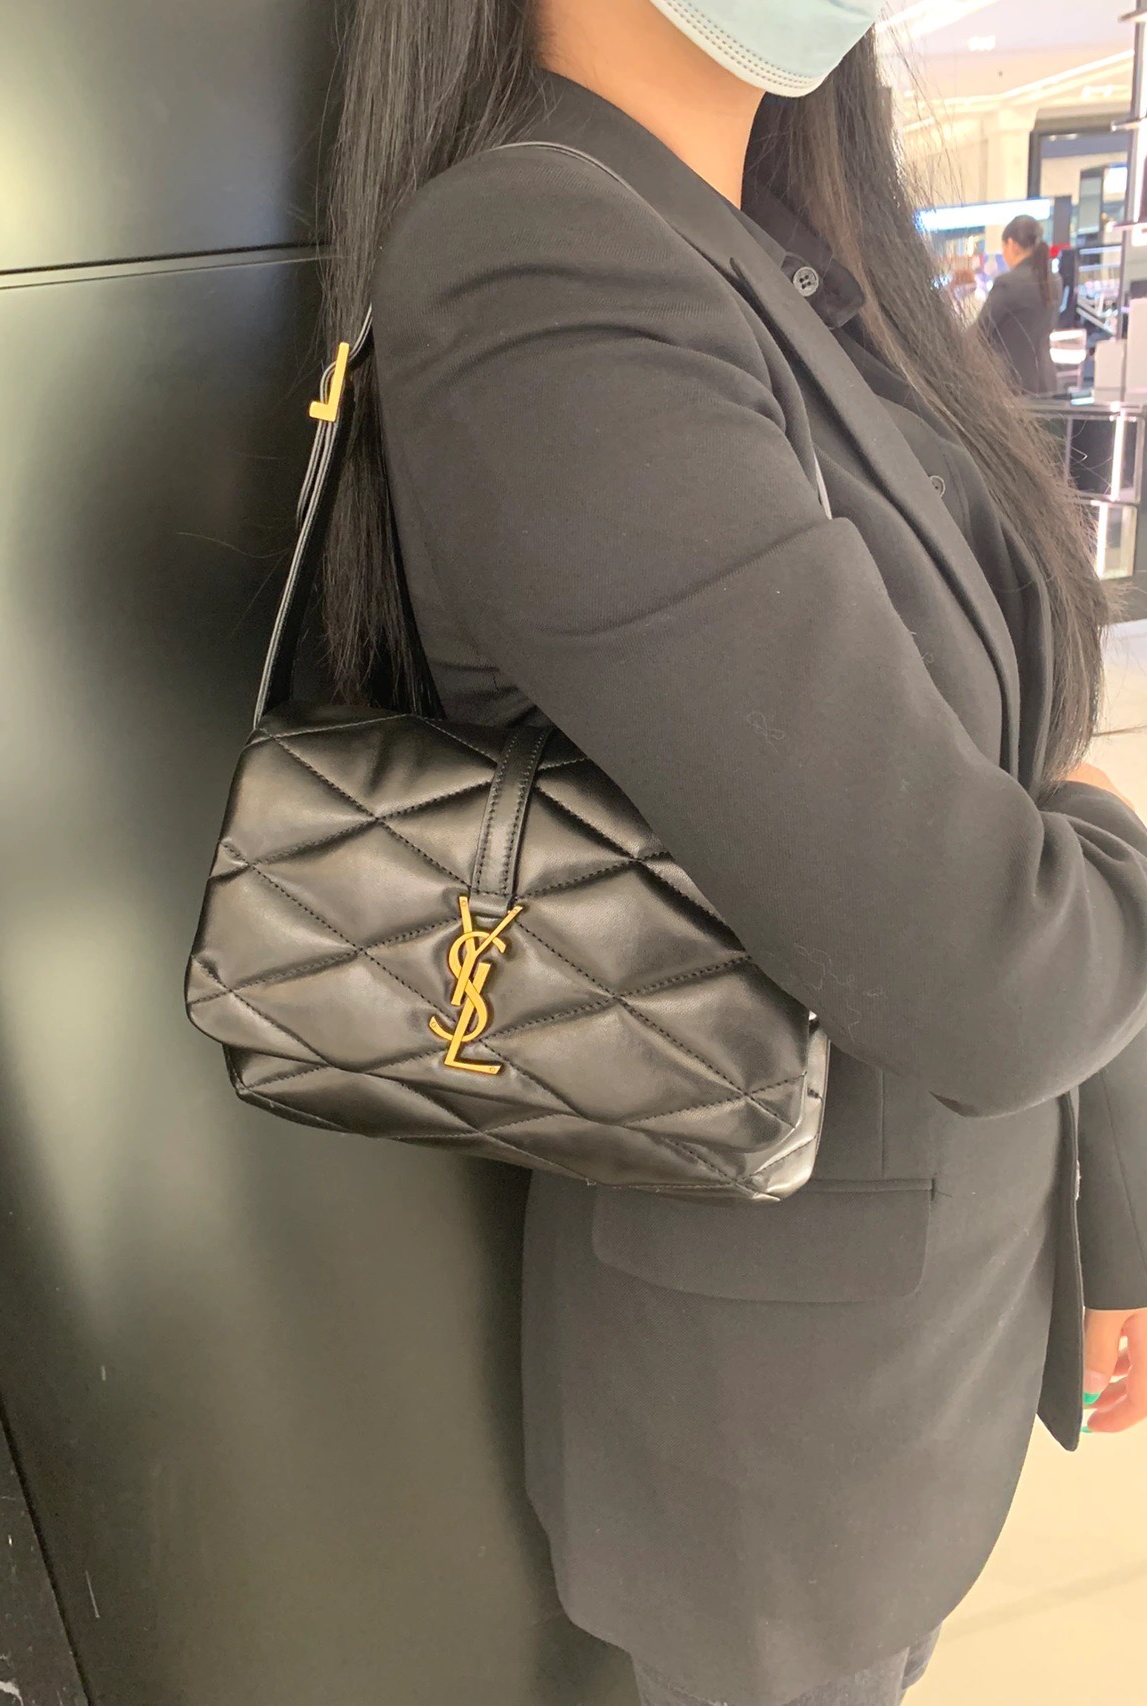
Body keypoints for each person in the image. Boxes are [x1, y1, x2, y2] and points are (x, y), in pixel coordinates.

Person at [313, 3, 1147, 1703]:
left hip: (929, 1348)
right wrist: (1091, 828)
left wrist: (1117, 1216)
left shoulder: (784, 247)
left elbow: (1020, 768)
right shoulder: (537, 261)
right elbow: (986, 961)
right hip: (772, 1453)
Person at [976, 213, 1059, 395]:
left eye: (1003, 247)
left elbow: (980, 332)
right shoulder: (1054, 281)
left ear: (1011, 244)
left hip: (1012, 387)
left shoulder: (1008, 283)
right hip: (1046, 384)